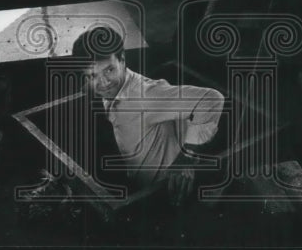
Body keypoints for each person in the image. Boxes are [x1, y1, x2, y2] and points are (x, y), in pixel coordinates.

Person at [71, 25, 224, 204]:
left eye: (110, 70)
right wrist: (92, 87)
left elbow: (212, 99)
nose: (104, 83)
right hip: (139, 178)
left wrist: (187, 158)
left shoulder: (145, 96)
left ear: (122, 59)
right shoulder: (110, 88)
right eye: (92, 75)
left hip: (167, 191)